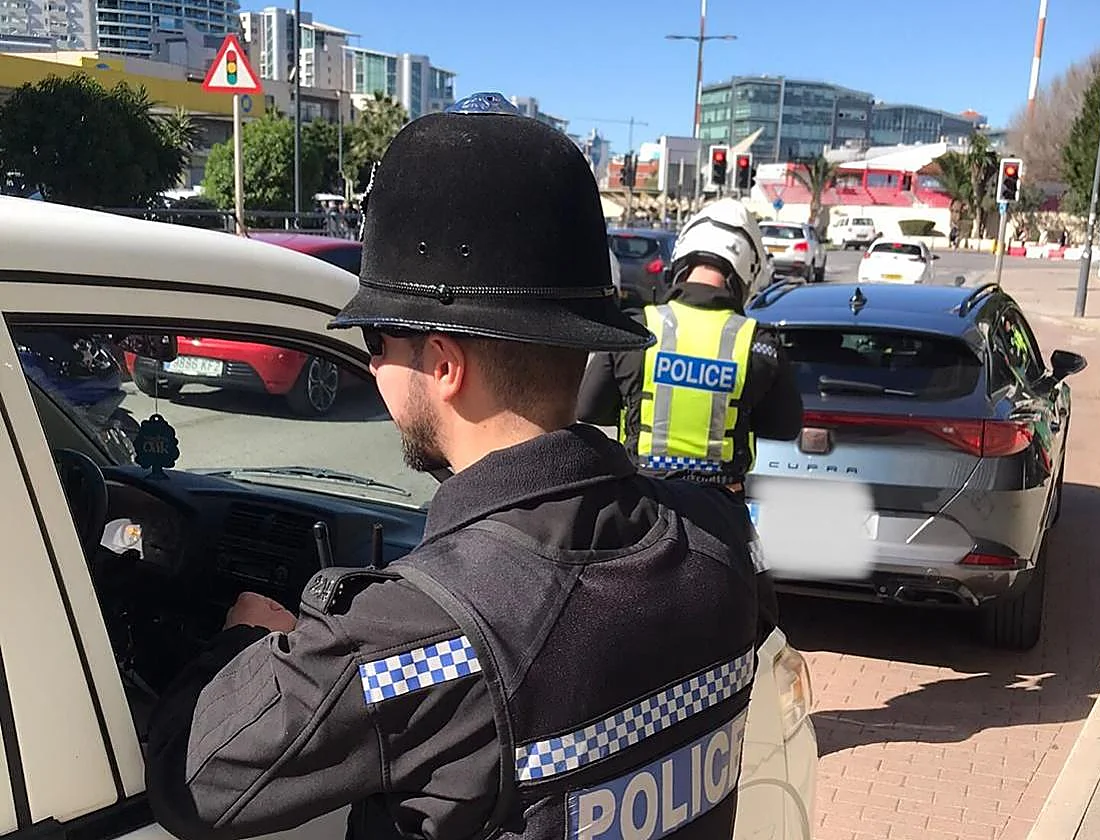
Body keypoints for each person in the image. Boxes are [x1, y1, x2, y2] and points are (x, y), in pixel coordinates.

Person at [144, 92, 777, 840]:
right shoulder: (719, 541)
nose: (370, 368)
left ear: (442, 363)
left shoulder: (418, 639)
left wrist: (246, 639)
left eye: (376, 342)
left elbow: (195, 780)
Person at [576, 198, 804, 499]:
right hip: (720, 512)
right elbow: (785, 426)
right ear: (746, 272)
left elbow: (588, 408)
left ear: (682, 259)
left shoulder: (637, 330)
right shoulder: (758, 344)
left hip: (645, 505)